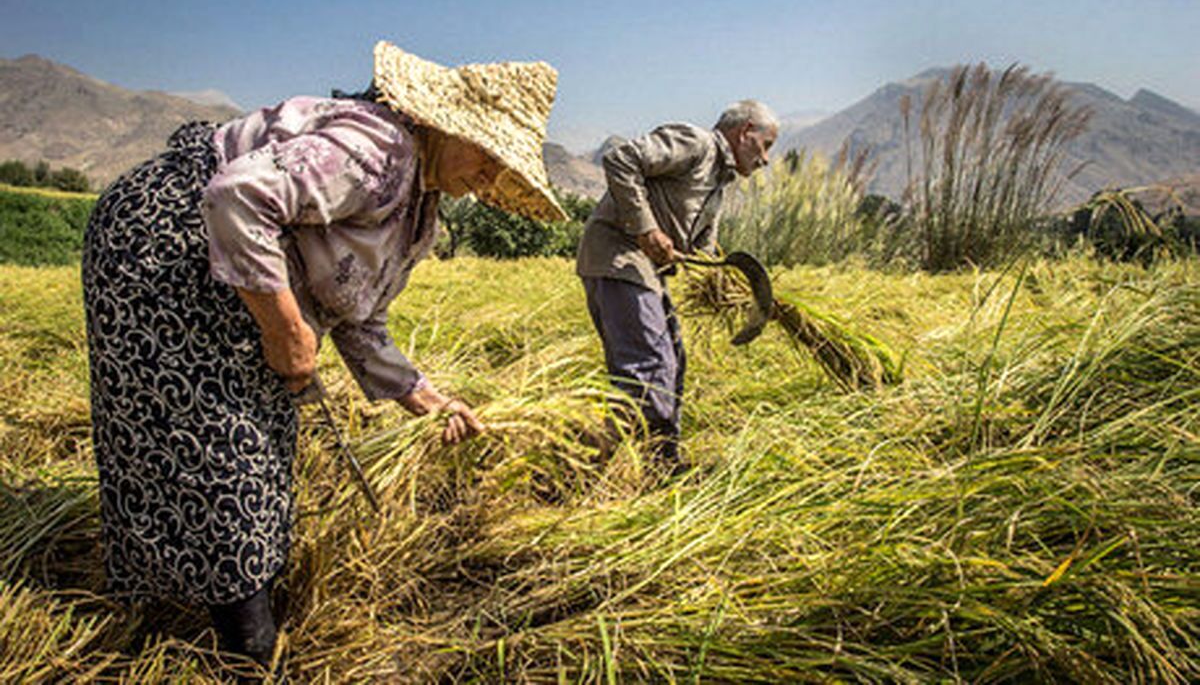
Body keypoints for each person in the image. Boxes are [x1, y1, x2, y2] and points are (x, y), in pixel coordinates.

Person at [81, 41, 565, 669]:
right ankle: (240, 644)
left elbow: (359, 316)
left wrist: (426, 397)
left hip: (221, 261)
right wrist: (284, 329)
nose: (490, 179)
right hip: (165, 245)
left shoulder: (419, 206)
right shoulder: (378, 150)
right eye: (488, 156)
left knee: (253, 440)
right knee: (219, 444)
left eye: (505, 171)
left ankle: (202, 613)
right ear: (447, 126)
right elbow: (237, 196)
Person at [576, 100, 778, 470]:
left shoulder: (719, 181)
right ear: (745, 131)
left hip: (646, 272)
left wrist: (731, 289)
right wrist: (647, 228)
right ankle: (587, 464)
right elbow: (621, 159)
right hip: (620, 258)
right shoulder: (695, 143)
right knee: (649, 366)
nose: (766, 159)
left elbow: (701, 252)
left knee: (673, 363)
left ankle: (661, 460)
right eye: (766, 145)